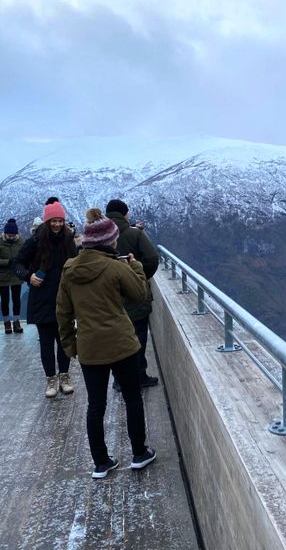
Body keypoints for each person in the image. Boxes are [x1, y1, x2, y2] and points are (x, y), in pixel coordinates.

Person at [57, 208, 156, 479]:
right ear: (107, 242)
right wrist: (133, 265)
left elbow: (62, 313)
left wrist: (71, 346)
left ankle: (101, 463)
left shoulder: (69, 271)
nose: (116, 243)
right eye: (113, 240)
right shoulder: (115, 267)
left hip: (90, 348)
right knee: (132, 397)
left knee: (95, 405)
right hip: (122, 345)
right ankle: (139, 454)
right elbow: (139, 294)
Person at [13, 201, 77, 397]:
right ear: (47, 221)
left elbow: (76, 262)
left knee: (65, 341)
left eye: (60, 221)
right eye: (53, 221)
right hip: (42, 298)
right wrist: (28, 276)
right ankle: (51, 380)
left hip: (64, 298)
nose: (57, 224)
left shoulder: (68, 240)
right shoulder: (35, 241)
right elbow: (18, 262)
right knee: (47, 343)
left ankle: (64, 377)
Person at [105, 199, 159, 388]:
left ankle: (119, 380)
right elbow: (152, 258)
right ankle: (139, 376)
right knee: (138, 337)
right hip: (136, 297)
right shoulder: (134, 234)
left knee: (115, 339)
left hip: (109, 297)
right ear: (125, 214)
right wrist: (140, 277)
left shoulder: (100, 236)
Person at [0, 218, 25, 334]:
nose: (11, 237)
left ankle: (16, 322)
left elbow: (25, 256)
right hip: (2, 276)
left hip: (16, 275)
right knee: (4, 300)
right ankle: (6, 324)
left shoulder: (21, 242)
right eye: (9, 235)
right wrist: (7, 262)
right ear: (5, 234)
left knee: (16, 300)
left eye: (13, 235)